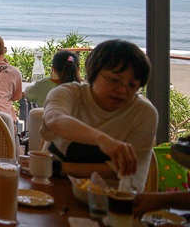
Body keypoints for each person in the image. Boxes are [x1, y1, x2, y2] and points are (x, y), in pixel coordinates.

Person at [41, 39, 158, 191]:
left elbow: (125, 171)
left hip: (110, 200)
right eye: (114, 80)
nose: (122, 90)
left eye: (132, 85)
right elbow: (55, 120)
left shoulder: (143, 113)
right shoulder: (67, 93)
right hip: (49, 189)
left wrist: (59, 167)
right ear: (93, 73)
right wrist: (102, 140)